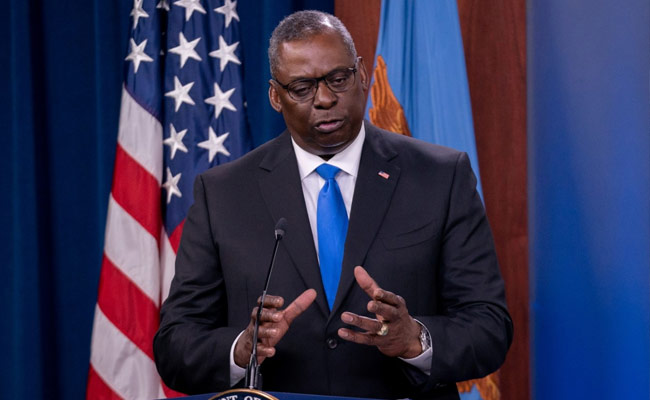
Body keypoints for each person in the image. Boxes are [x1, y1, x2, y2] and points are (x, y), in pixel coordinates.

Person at [154, 10, 512, 399]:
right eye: (302, 87)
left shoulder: (440, 177)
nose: (325, 99)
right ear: (275, 96)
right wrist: (242, 349)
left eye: (338, 79)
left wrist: (415, 339)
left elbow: (489, 327)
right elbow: (175, 345)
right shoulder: (223, 193)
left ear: (362, 73)